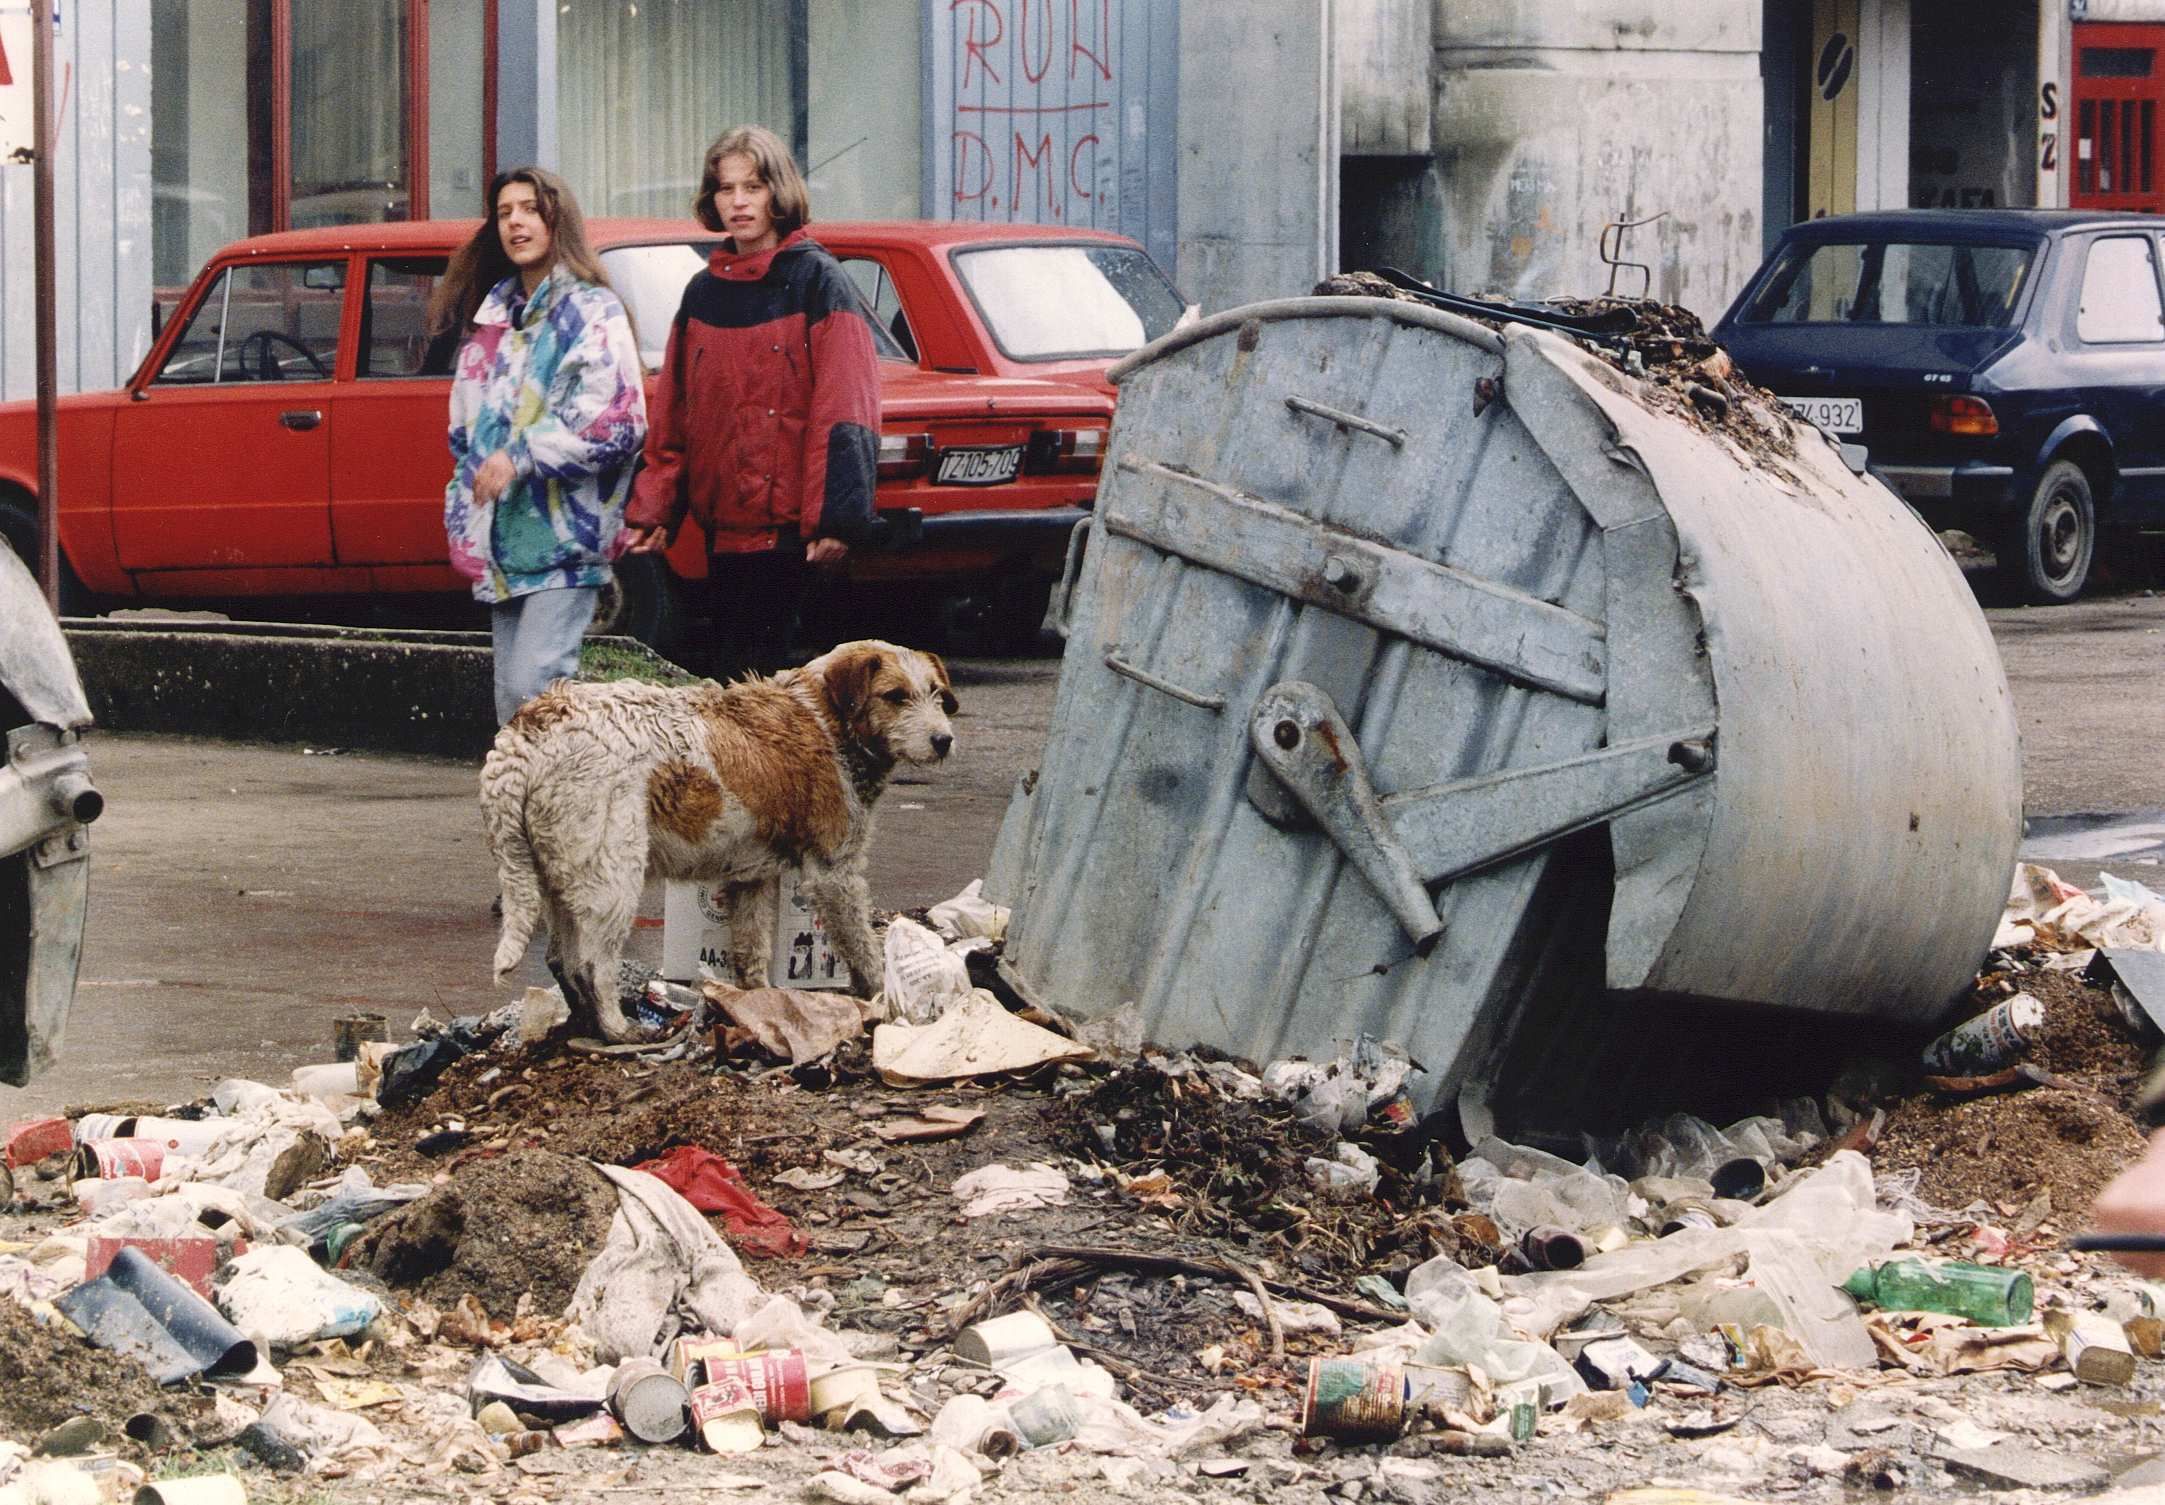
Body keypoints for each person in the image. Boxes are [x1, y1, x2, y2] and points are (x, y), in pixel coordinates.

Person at [620, 124, 879, 677]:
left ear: (778, 193)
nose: (738, 202)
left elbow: (846, 409)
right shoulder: (702, 292)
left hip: (793, 539)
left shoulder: (819, 281)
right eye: (725, 188)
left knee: (767, 692)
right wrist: (655, 508)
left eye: (753, 187)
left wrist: (836, 519)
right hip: (722, 533)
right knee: (734, 686)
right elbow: (674, 415)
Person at [432, 167, 648, 725]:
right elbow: (465, 436)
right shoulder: (493, 322)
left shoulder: (590, 312)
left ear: (558, 220)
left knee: (538, 695)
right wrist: (465, 515)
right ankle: (535, 813)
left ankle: (573, 809)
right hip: (504, 547)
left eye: (530, 209)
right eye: (505, 213)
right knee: (513, 704)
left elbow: (615, 422)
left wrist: (520, 456)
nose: (516, 222)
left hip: (564, 544)